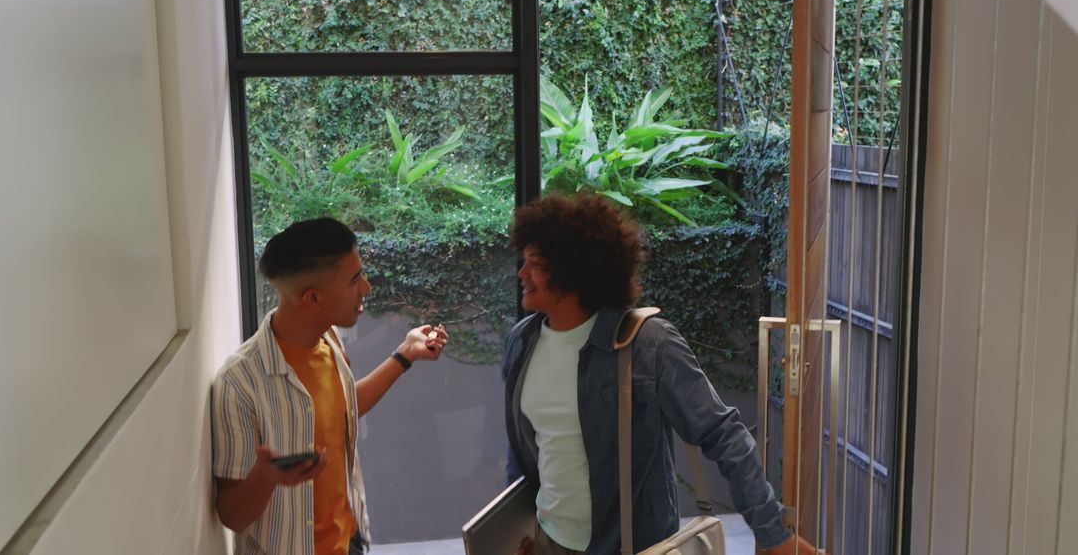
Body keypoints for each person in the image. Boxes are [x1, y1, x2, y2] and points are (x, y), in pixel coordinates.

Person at [503, 193, 812, 554]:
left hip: (631, 546)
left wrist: (773, 533)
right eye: (523, 261)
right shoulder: (521, 342)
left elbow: (724, 435)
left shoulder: (648, 344)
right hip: (547, 541)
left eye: (535, 264)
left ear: (574, 271)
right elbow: (526, 446)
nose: (522, 274)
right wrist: (520, 526)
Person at [211, 217, 448, 555]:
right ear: (312, 298)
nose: (365, 287)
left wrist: (405, 355)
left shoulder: (329, 340)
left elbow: (344, 407)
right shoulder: (239, 384)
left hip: (349, 542)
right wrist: (265, 478)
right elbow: (231, 515)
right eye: (354, 279)